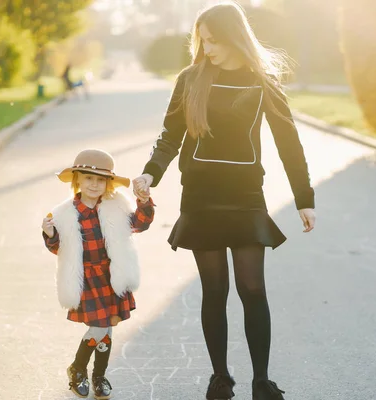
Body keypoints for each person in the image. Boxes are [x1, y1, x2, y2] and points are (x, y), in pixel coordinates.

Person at [132, 2, 316, 400]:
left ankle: (261, 381)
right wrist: (151, 173)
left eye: (214, 40)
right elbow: (170, 135)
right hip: (200, 197)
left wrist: (304, 198)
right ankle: (221, 378)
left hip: (246, 196)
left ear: (234, 37)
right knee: (214, 291)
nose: (207, 48)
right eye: (203, 40)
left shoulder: (262, 81)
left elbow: (289, 143)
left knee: (252, 289)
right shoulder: (191, 78)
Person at [42, 149, 154, 399]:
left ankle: (99, 375)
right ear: (77, 181)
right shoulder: (65, 213)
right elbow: (58, 248)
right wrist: (50, 235)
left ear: (108, 183)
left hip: (112, 276)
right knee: (99, 328)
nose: (94, 184)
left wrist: (144, 201)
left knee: (108, 328)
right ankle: (78, 368)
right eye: (88, 178)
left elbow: (140, 223)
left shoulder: (115, 207)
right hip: (87, 280)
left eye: (100, 180)